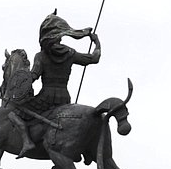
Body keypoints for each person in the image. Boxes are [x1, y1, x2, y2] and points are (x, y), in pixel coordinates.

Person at [8, 11, 101, 158]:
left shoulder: (41, 56)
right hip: (64, 98)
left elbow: (33, 76)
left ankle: (27, 142)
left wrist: (19, 84)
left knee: (14, 112)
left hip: (46, 98)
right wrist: (96, 41)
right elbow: (94, 58)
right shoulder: (70, 53)